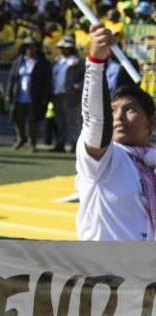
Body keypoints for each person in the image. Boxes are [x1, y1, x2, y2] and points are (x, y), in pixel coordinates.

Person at [75, 23, 156, 242]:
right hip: (104, 272)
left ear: (152, 122)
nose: (117, 117)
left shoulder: (151, 162)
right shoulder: (104, 160)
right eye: (112, 110)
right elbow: (96, 122)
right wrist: (96, 63)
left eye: (129, 109)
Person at [7, 37, 51, 152]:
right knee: (17, 119)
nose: (30, 50)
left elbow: (47, 81)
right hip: (19, 95)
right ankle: (21, 138)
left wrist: (45, 96)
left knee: (33, 120)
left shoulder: (42, 62)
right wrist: (9, 93)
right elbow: (12, 78)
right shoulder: (18, 61)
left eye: (32, 47)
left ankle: (32, 142)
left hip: (34, 96)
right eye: (28, 47)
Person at [50, 36, 84, 152]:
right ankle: (60, 143)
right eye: (62, 48)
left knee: (73, 121)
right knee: (59, 120)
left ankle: (75, 144)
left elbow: (85, 76)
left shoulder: (77, 61)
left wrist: (78, 86)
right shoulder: (57, 60)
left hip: (71, 95)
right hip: (57, 93)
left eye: (67, 48)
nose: (64, 50)